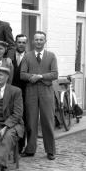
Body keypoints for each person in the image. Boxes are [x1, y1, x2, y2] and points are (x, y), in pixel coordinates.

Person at [20, 31, 58, 160]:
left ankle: (50, 150)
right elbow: (22, 74)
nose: (39, 42)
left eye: (41, 40)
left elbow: (54, 74)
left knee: (47, 120)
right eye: (36, 39)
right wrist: (32, 77)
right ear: (32, 41)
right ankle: (30, 149)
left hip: (46, 91)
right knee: (31, 121)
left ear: (45, 41)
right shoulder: (27, 56)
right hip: (31, 91)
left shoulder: (51, 56)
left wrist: (40, 76)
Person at [10, 34, 28, 153]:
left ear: (26, 44)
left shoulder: (29, 57)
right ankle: (11, 144)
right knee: (11, 116)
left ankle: (21, 145)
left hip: (25, 92)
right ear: (15, 43)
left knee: (23, 117)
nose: (21, 44)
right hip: (11, 91)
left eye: (23, 42)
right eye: (19, 42)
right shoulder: (9, 56)